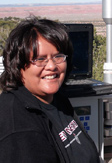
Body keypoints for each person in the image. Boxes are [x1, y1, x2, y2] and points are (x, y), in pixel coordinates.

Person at [0, 16, 100, 163]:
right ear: (18, 65)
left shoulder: (54, 98)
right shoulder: (20, 130)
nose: (52, 66)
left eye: (58, 56)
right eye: (40, 59)